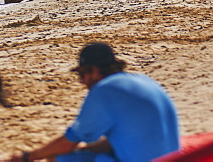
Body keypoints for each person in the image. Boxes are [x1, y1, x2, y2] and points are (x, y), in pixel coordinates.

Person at [10, 43, 179, 162]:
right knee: (87, 150)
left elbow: (67, 143)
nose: (83, 82)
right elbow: (125, 138)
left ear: (95, 71)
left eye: (82, 75)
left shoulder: (104, 90)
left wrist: (28, 157)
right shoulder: (142, 81)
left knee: (56, 158)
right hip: (173, 157)